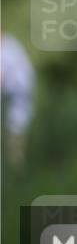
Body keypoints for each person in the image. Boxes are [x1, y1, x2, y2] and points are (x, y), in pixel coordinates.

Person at [1, 32, 35, 168]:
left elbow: (2, 78)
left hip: (19, 89)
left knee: (16, 128)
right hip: (15, 89)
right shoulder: (8, 45)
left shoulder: (7, 49)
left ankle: (16, 164)